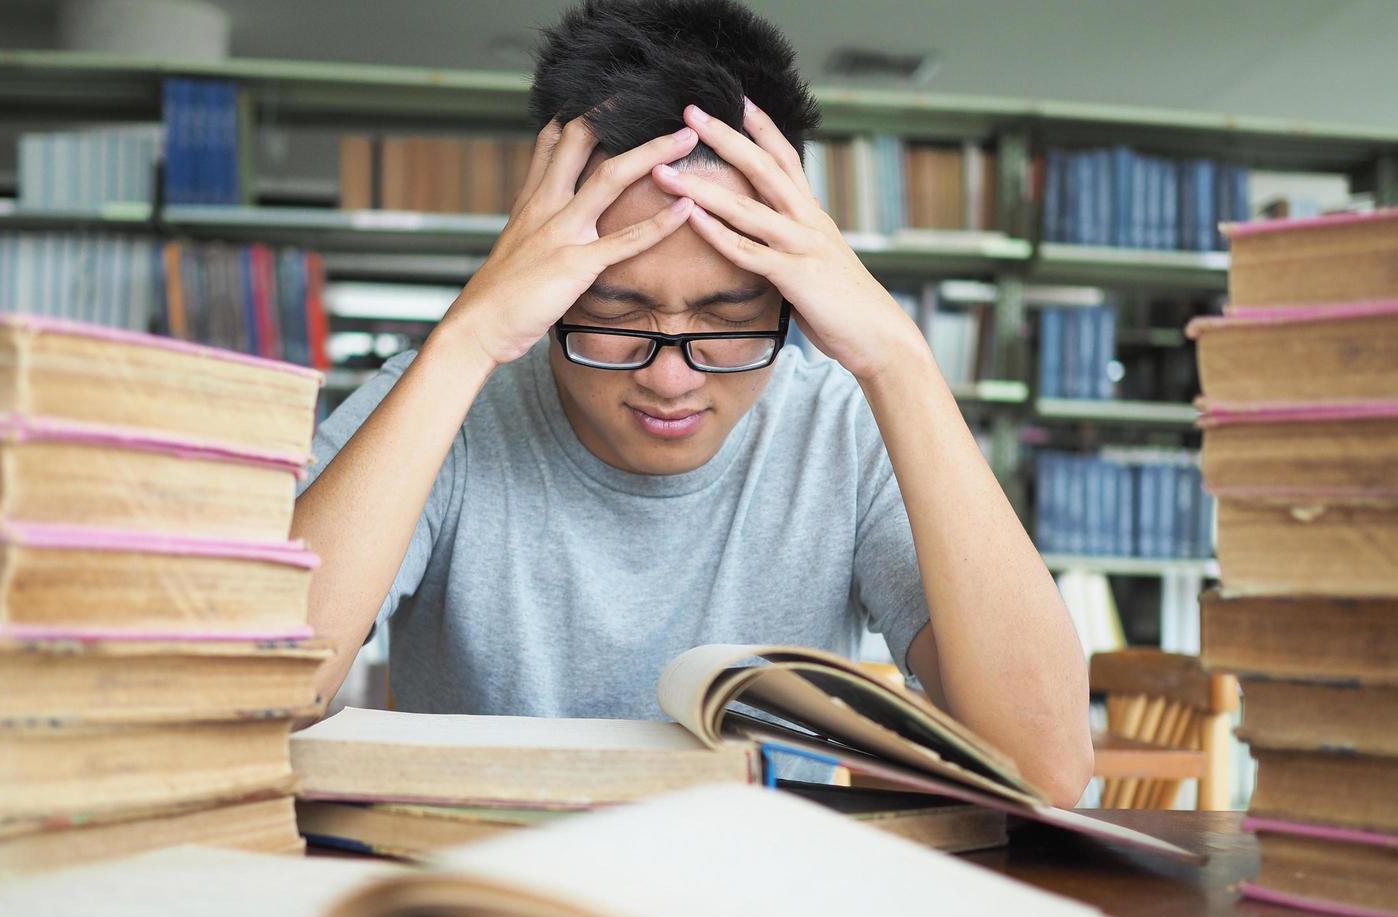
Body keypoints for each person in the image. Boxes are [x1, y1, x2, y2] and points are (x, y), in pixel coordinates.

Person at [293, 0, 1093, 805]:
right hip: (494, 903)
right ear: (540, 265)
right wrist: (466, 338)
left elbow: (1047, 769)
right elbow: (256, 693)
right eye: (610, 317)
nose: (671, 380)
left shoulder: (846, 428)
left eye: (733, 320)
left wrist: (899, 362)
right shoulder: (437, 401)